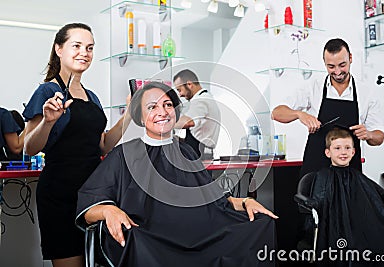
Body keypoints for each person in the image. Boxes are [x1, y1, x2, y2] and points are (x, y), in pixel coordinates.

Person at [76, 82, 278, 267]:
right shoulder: (124, 155)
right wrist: (108, 211)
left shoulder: (186, 152)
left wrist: (244, 202)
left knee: (262, 224)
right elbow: (88, 206)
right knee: (141, 245)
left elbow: (214, 200)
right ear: (140, 116)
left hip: (198, 235)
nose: (162, 112)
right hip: (151, 240)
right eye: (152, 107)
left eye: (168, 105)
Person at [22, 23, 129, 267]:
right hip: (60, 194)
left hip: (94, 194)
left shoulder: (92, 97)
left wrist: (130, 115)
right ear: (59, 49)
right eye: (77, 46)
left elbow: (102, 146)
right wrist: (48, 122)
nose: (85, 52)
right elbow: (29, 147)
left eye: (90, 47)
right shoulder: (47, 91)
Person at [271, 38, 384, 177]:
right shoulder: (313, 87)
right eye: (331, 67)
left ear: (350, 58)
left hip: (349, 173)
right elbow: (276, 113)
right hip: (315, 169)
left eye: (342, 65)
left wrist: (369, 134)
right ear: (324, 63)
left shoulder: (366, 92)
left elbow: (379, 137)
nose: (337, 72)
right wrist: (300, 114)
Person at [300, 127, 384, 266]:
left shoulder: (358, 176)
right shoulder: (323, 176)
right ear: (328, 152)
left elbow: (375, 195)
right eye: (337, 148)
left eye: (347, 148)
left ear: (353, 152)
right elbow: (319, 201)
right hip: (334, 226)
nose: (343, 152)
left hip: (361, 224)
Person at [173, 69, 221, 160]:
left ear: (189, 84)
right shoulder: (206, 97)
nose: (180, 94)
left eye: (180, 90)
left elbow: (188, 122)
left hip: (199, 155)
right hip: (202, 153)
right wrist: (180, 140)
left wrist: (166, 124)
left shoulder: (200, 100)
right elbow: (199, 133)